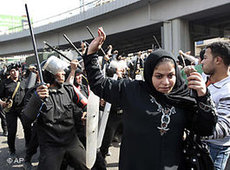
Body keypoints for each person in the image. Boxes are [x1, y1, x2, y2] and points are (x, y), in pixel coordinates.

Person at [82, 27, 217, 170]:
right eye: (159, 76)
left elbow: (205, 129)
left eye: (170, 75)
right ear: (149, 74)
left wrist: (203, 97)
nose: (165, 82)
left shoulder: (185, 96)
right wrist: (91, 53)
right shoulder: (131, 90)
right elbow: (99, 84)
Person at [22, 56, 89, 170]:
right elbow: (26, 119)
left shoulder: (69, 89)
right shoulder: (35, 93)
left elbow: (85, 104)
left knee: (87, 166)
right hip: (50, 146)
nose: (63, 73)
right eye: (60, 71)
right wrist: (36, 99)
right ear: (50, 74)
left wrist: (86, 112)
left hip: (71, 142)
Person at [201, 42, 230, 170]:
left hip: (215, 150)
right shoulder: (205, 77)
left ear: (218, 60)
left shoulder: (227, 90)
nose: (201, 61)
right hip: (200, 146)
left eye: (205, 58)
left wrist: (191, 130)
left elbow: (223, 128)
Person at [0, 63, 31, 156]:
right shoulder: (4, 83)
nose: (15, 72)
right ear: (10, 72)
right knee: (12, 131)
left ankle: (29, 146)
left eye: (16, 70)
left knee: (27, 129)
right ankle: (12, 149)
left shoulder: (24, 81)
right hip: (11, 111)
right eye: (13, 71)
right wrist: (2, 103)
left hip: (22, 109)